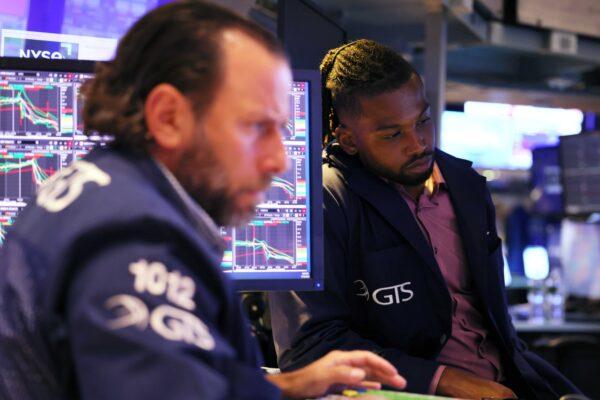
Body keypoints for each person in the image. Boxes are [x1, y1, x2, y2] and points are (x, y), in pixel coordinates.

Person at [0, 5, 407, 400]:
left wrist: (289, 387)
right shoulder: (132, 240)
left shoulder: (103, 187)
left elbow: (179, 375)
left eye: (280, 130)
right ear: (169, 116)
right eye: (256, 127)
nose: (279, 160)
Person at [269, 39, 581, 400]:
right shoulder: (319, 201)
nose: (418, 143)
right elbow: (309, 347)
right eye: (393, 134)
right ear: (348, 139)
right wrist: (443, 380)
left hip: (511, 384)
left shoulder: (466, 185)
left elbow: (498, 328)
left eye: (423, 121)